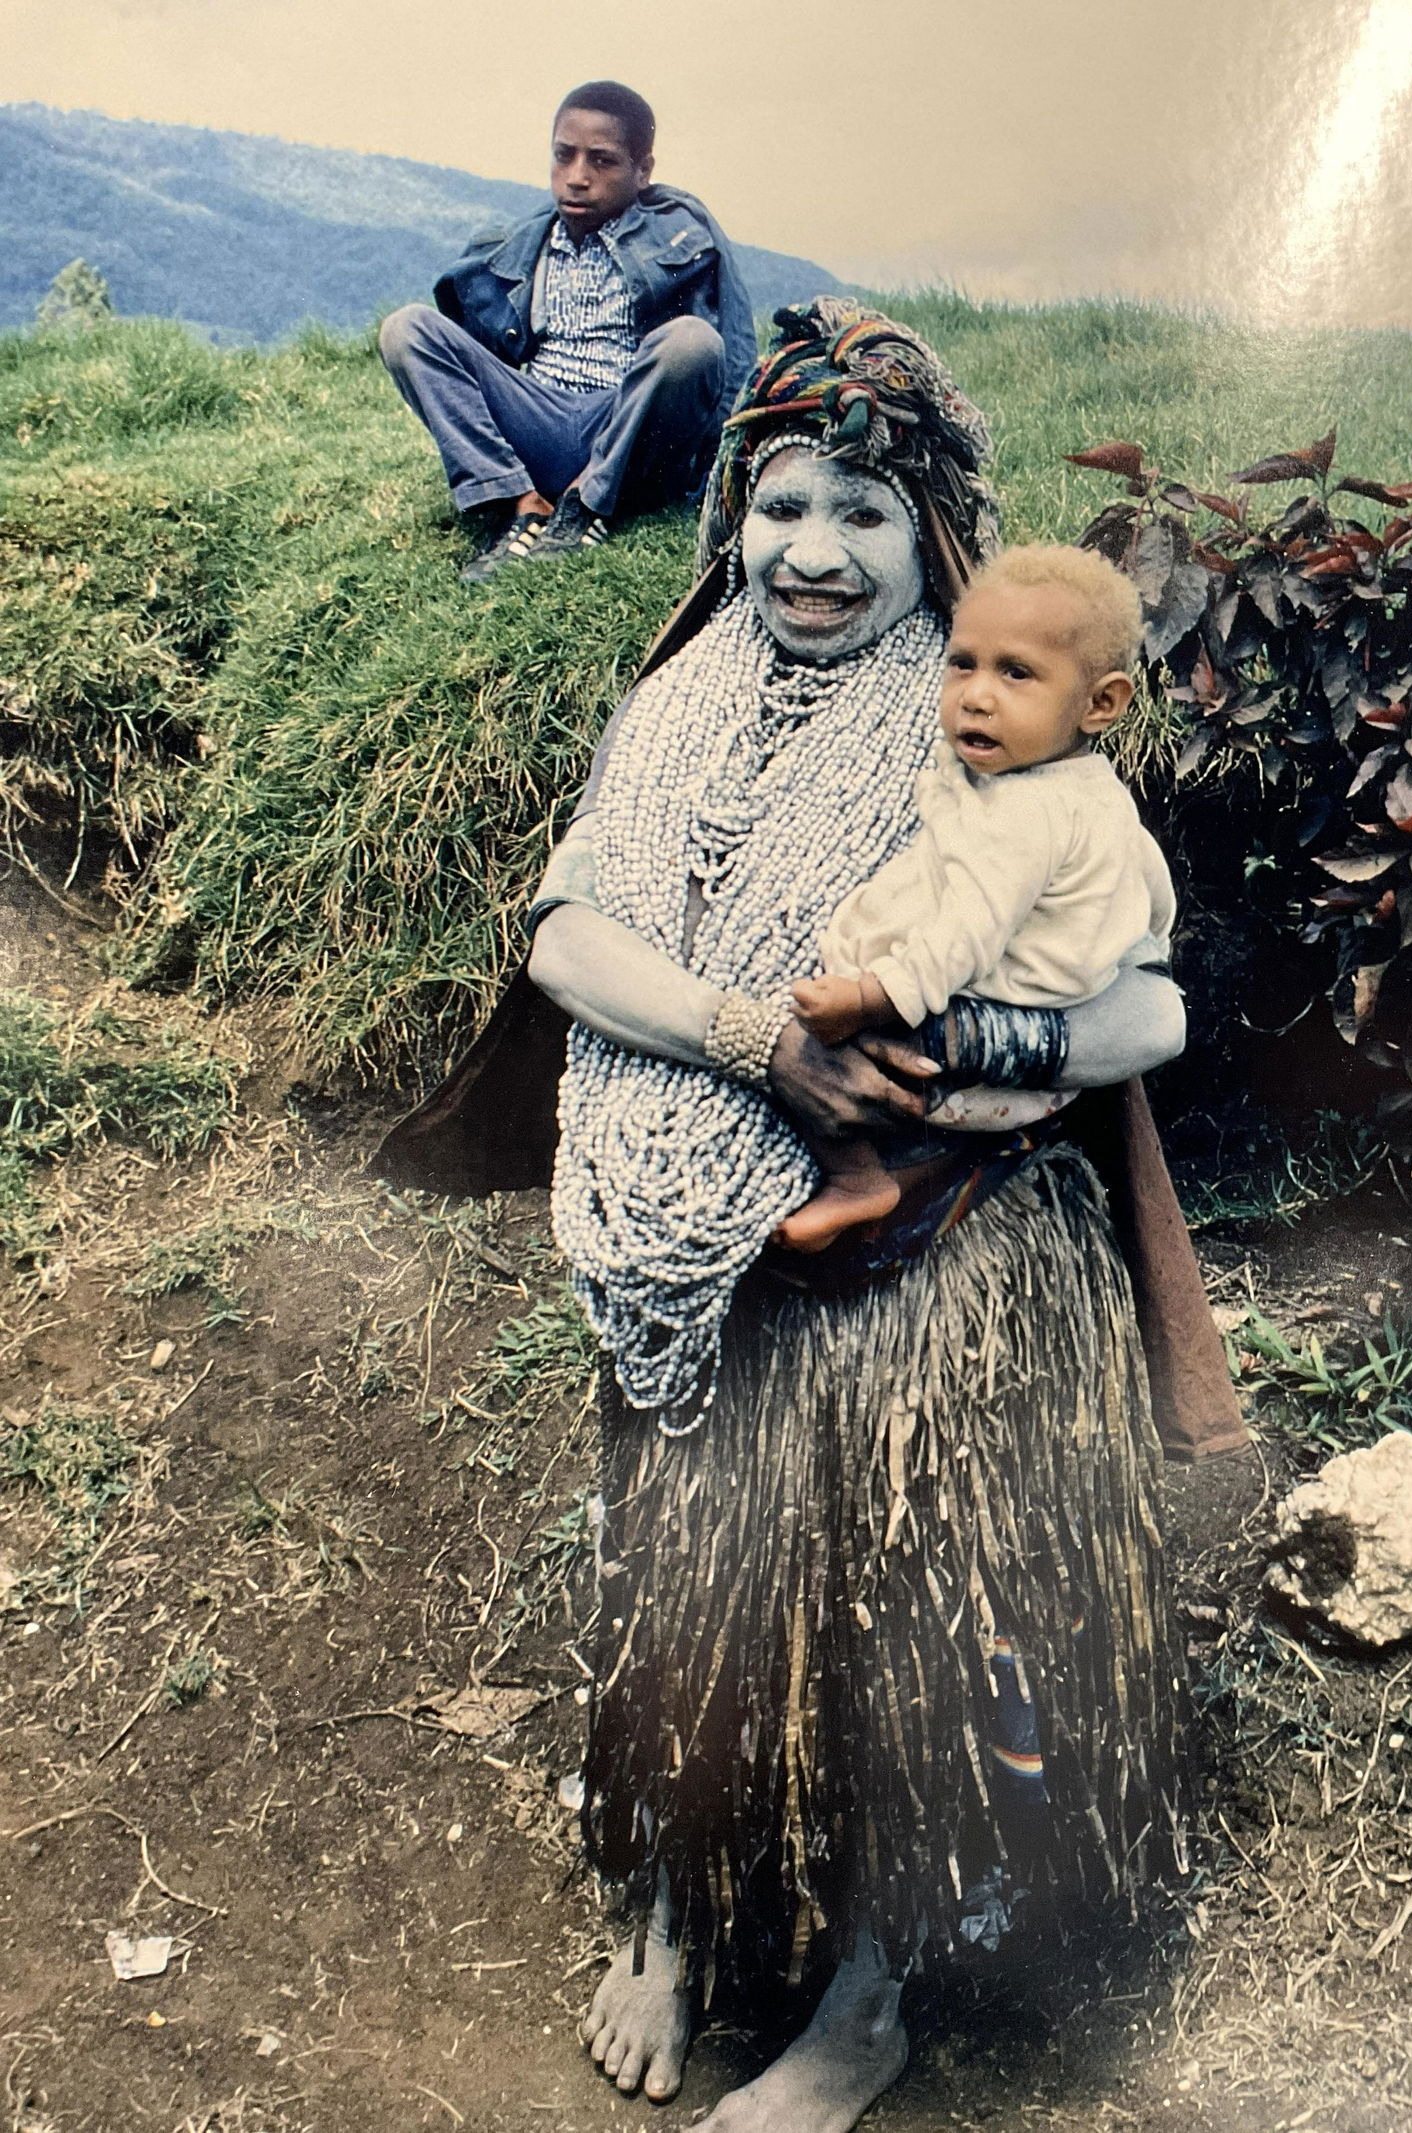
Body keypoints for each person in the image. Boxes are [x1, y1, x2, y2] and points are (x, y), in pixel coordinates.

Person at [375, 300, 1248, 2131]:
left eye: (862, 509)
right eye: (780, 504)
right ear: (730, 518)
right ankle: (675, 1912)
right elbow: (567, 933)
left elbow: (1147, 1006)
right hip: (701, 1199)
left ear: (923, 527)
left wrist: (987, 1038)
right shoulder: (679, 697)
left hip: (938, 1221)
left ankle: (867, 1996)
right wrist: (757, 1035)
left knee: (899, 1531)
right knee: (691, 1547)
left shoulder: (989, 713)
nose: (813, 554)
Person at [777, 543, 1177, 1252]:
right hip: (1040, 1061)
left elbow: (964, 935)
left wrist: (872, 997)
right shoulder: (1090, 790)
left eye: (1016, 673)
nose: (977, 694)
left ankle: (858, 1177)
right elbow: (1151, 888)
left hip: (976, 1058)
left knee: (808, 1053)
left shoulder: (1025, 821)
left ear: (1102, 702)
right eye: (963, 663)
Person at [377, 79, 756, 581]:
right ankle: (519, 501)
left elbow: (729, 353)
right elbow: (479, 352)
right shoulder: (521, 244)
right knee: (406, 329)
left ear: (642, 170)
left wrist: (722, 464)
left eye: (602, 161)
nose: (577, 177)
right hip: (539, 412)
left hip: (623, 423)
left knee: (692, 342)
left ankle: (588, 504)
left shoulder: (681, 239)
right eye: (564, 156)